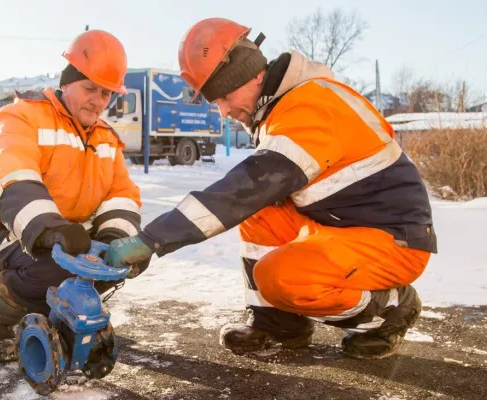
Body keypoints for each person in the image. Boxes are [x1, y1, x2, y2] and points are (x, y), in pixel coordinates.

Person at [105, 18, 437, 360]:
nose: (223, 112)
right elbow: (256, 196)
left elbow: (244, 189)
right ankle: (278, 324)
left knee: (279, 276)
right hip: (343, 227)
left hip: (394, 240)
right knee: (262, 210)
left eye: (225, 96)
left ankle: (391, 311)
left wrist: (153, 239)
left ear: (254, 75)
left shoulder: (309, 107)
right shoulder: (283, 109)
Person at [0, 29, 145, 363]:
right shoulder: (20, 117)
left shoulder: (106, 138)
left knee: (105, 264)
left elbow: (121, 194)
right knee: (53, 268)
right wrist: (47, 228)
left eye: (107, 94)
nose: (99, 101)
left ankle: (62, 320)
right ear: (66, 82)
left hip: (62, 235)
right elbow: (9, 171)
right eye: (90, 88)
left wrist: (116, 239)